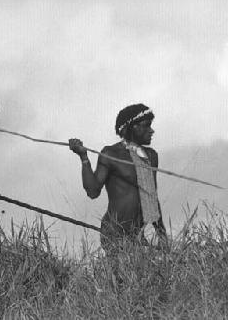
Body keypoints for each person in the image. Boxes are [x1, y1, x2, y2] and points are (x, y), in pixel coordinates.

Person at [69, 103, 166, 256]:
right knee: (124, 275)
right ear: (132, 127)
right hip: (114, 233)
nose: (151, 130)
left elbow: (150, 200)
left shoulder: (151, 156)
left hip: (136, 236)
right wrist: (83, 157)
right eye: (146, 126)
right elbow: (93, 191)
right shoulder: (111, 153)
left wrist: (162, 235)